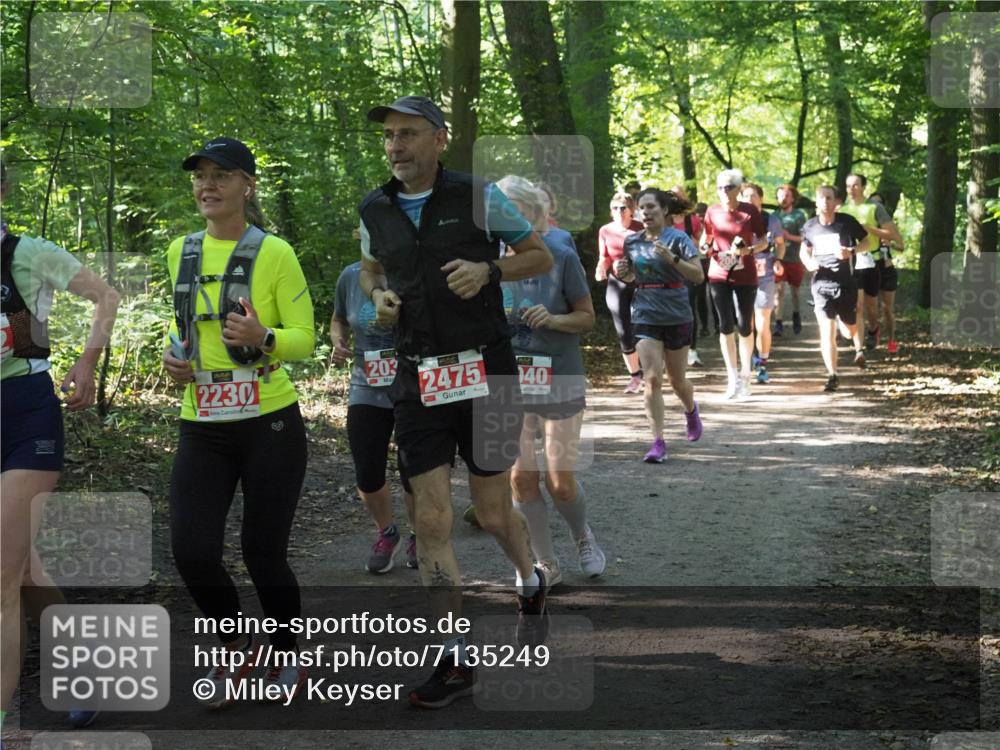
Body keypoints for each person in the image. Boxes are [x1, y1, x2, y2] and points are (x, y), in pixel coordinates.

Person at [358, 96, 554, 709]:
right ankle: (453, 658)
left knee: (494, 512)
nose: (396, 146)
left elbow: (539, 254)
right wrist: (380, 297)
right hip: (417, 378)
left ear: (439, 139)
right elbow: (370, 270)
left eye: (408, 134)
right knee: (433, 519)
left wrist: (490, 269)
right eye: (390, 136)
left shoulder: (479, 196)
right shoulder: (373, 208)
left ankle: (529, 578)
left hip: (488, 372)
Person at [161, 137, 315, 706]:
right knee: (192, 550)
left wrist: (264, 337)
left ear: (247, 185)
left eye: (221, 175)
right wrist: (172, 357)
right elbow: (182, 329)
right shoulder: (181, 250)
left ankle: (288, 654)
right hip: (200, 418)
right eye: (200, 175)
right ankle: (239, 649)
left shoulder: (275, 253)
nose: (207, 185)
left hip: (268, 419)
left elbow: (304, 338)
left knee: (262, 551)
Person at [1, 159, 120, 730]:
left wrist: (87, 362)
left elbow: (106, 296)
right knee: (23, 569)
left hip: (26, 413)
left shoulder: (27, 252)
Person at [495, 176, 604, 586]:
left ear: (530, 211)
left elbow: (588, 317)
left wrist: (555, 318)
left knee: (560, 481)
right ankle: (544, 563)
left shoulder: (559, 251)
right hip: (509, 379)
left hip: (559, 373)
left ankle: (582, 536)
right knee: (521, 477)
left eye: (509, 210)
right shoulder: (489, 258)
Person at [331, 262, 416, 574]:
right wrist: (337, 340)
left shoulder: (412, 270)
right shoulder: (349, 277)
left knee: (414, 469)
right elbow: (338, 319)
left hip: (412, 386)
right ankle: (387, 532)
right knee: (367, 471)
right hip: (366, 386)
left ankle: (420, 535)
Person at [616, 188, 705, 463]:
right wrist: (625, 273)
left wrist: (673, 259)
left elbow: (699, 276)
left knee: (677, 381)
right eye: (642, 208)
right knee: (652, 378)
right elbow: (632, 276)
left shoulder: (678, 239)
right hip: (645, 313)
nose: (646, 212)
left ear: (664, 211)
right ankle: (657, 441)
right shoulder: (632, 242)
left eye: (651, 207)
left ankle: (690, 410)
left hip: (677, 313)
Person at [700, 169, 768, 399]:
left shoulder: (749, 211)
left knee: (744, 325)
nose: (723, 192)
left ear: (738, 189)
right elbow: (706, 238)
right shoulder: (712, 211)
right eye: (720, 187)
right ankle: (732, 377)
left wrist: (747, 250)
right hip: (719, 272)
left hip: (745, 274)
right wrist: (703, 247)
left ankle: (746, 374)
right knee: (725, 325)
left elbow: (763, 241)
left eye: (728, 187)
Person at [800, 185, 868, 392]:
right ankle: (832, 374)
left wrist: (851, 251)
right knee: (826, 332)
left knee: (849, 332)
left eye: (830, 198)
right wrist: (809, 264)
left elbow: (867, 242)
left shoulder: (846, 222)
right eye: (822, 198)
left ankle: (846, 326)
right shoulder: (810, 226)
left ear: (836, 202)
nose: (826, 202)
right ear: (817, 202)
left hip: (845, 283)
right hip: (821, 284)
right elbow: (804, 251)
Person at [839, 174, 904, 356]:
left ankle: (874, 328)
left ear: (863, 187)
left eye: (855, 185)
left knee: (871, 307)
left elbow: (892, 234)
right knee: (857, 306)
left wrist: (869, 228)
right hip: (852, 262)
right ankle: (859, 349)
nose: (851, 189)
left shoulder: (875, 207)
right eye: (848, 186)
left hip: (872, 262)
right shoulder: (842, 210)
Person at [738, 183, 786, 384]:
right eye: (745, 196)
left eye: (753, 196)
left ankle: (763, 364)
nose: (749, 199)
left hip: (764, 273)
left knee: (762, 320)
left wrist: (777, 260)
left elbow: (780, 244)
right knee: (745, 323)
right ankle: (746, 364)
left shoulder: (770, 219)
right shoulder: (736, 219)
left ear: (760, 198)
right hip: (741, 273)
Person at [596, 192, 644, 392]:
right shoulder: (605, 230)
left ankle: (649, 369)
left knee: (641, 327)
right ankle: (635, 376)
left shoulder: (640, 229)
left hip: (641, 284)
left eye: (623, 208)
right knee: (623, 331)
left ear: (632, 211)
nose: (619, 212)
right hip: (617, 284)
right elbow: (604, 256)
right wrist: (601, 267)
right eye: (615, 208)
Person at [669, 185, 707, 368]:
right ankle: (671, 349)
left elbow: (702, 244)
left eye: (678, 195)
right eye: (672, 196)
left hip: (688, 270)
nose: (675, 199)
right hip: (667, 270)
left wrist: (694, 243)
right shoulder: (663, 219)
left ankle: (692, 350)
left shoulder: (692, 221)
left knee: (689, 309)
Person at [772, 184, 810, 336]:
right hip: (779, 260)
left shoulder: (799, 215)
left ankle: (796, 315)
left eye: (786, 196)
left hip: (795, 258)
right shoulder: (773, 216)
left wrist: (788, 237)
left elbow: (805, 238)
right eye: (780, 196)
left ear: (793, 198)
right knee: (778, 291)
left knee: (795, 292)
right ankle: (778, 323)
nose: (783, 199)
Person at [867, 194, 901, 354]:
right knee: (871, 307)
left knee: (887, 308)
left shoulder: (890, 228)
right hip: (870, 268)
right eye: (872, 202)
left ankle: (892, 341)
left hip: (887, 269)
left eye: (878, 203)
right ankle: (873, 331)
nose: (875, 205)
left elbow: (901, 246)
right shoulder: (867, 227)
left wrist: (891, 243)